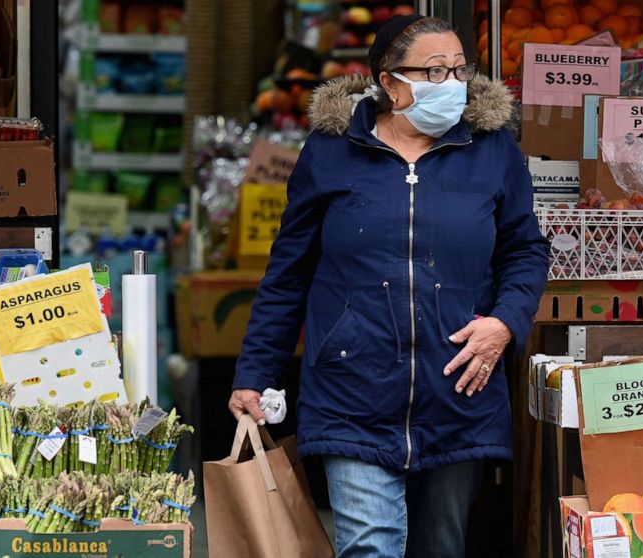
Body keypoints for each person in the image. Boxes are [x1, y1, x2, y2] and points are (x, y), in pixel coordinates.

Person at [228, 15, 549, 558]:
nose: (449, 83)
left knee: (440, 546)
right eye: (432, 70)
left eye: (457, 70)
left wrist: (504, 324)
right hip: (352, 383)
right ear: (388, 81)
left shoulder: (493, 150)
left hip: (458, 385)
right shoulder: (331, 153)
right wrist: (255, 373)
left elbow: (525, 250)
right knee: (369, 546)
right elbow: (289, 272)